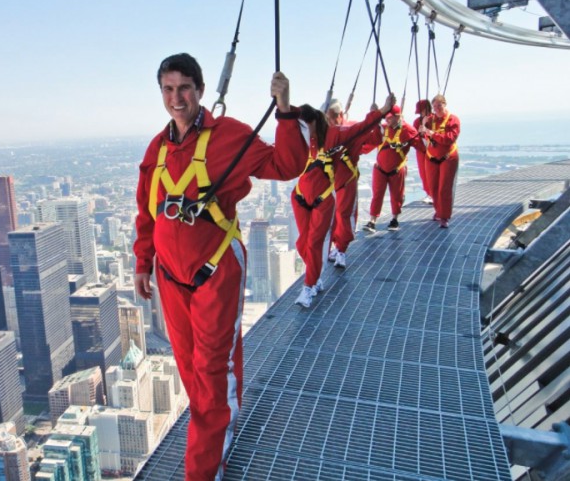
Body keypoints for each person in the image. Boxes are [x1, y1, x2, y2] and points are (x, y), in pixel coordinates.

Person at [133, 53, 308, 481]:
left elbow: (286, 166)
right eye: (168, 89)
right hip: (171, 279)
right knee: (193, 369)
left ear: (201, 90)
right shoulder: (156, 150)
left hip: (215, 272)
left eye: (184, 88)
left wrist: (284, 110)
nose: (177, 98)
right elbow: (148, 211)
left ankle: (205, 466)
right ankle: (217, 420)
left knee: (212, 372)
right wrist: (143, 262)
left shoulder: (228, 136)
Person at [292, 95, 396, 308]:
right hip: (302, 195)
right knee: (303, 242)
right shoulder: (303, 138)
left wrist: (381, 112)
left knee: (322, 236)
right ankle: (316, 271)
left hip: (331, 190)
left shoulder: (338, 134)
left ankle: (312, 282)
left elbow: (363, 131)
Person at [324, 99, 382, 269]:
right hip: (330, 182)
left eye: (331, 118)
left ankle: (342, 249)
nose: (329, 123)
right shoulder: (327, 132)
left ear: (340, 115)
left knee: (345, 215)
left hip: (346, 180)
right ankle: (336, 246)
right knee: (333, 217)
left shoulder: (353, 130)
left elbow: (373, 141)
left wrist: (376, 121)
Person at [361, 105, 425, 232]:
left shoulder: (408, 130)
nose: (387, 121)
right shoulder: (383, 129)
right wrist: (373, 115)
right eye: (386, 118)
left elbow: (422, 147)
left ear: (397, 117)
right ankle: (372, 221)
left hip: (397, 170)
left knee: (397, 195)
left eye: (389, 118)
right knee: (377, 195)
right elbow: (368, 139)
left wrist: (425, 133)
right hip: (380, 169)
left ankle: (395, 219)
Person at [417, 94, 460, 228]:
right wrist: (423, 125)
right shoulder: (431, 119)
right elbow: (420, 132)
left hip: (448, 157)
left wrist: (431, 133)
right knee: (433, 188)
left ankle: (444, 216)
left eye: (439, 106)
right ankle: (438, 211)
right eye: (434, 106)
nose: (437, 109)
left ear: (445, 104)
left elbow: (449, 139)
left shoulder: (453, 120)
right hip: (431, 157)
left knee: (444, 188)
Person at [413, 99, 433, 204]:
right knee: (423, 172)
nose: (420, 114)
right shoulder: (417, 122)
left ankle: (433, 194)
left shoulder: (434, 119)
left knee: (432, 173)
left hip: (433, 150)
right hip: (422, 150)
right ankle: (429, 194)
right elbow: (415, 136)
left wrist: (425, 126)